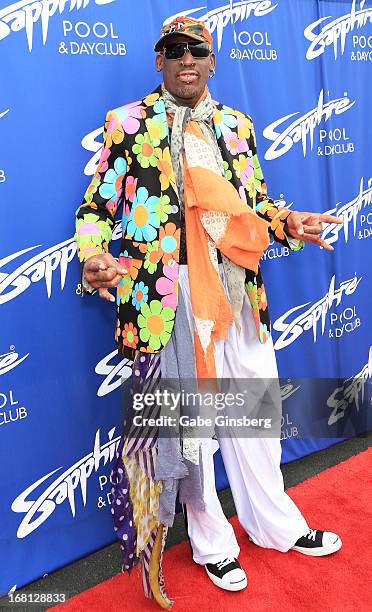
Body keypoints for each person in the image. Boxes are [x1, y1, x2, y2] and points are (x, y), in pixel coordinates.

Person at [74, 16, 343, 608]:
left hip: (239, 295)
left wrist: (287, 223)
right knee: (192, 432)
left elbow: (254, 208)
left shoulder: (236, 126)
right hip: (170, 304)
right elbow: (95, 208)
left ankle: (276, 524)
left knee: (256, 421)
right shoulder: (129, 125)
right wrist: (94, 252)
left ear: (212, 60)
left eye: (197, 49)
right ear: (159, 61)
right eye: (173, 50)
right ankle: (211, 541)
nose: (185, 58)